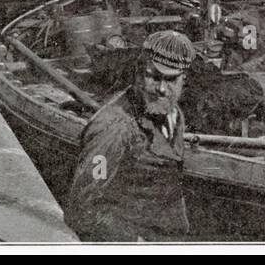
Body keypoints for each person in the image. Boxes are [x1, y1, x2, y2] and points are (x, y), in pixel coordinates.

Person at [63, 30, 195, 241]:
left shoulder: (173, 114)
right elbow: (82, 209)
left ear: (183, 80)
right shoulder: (114, 127)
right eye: (153, 77)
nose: (161, 89)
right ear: (138, 73)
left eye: (171, 80)